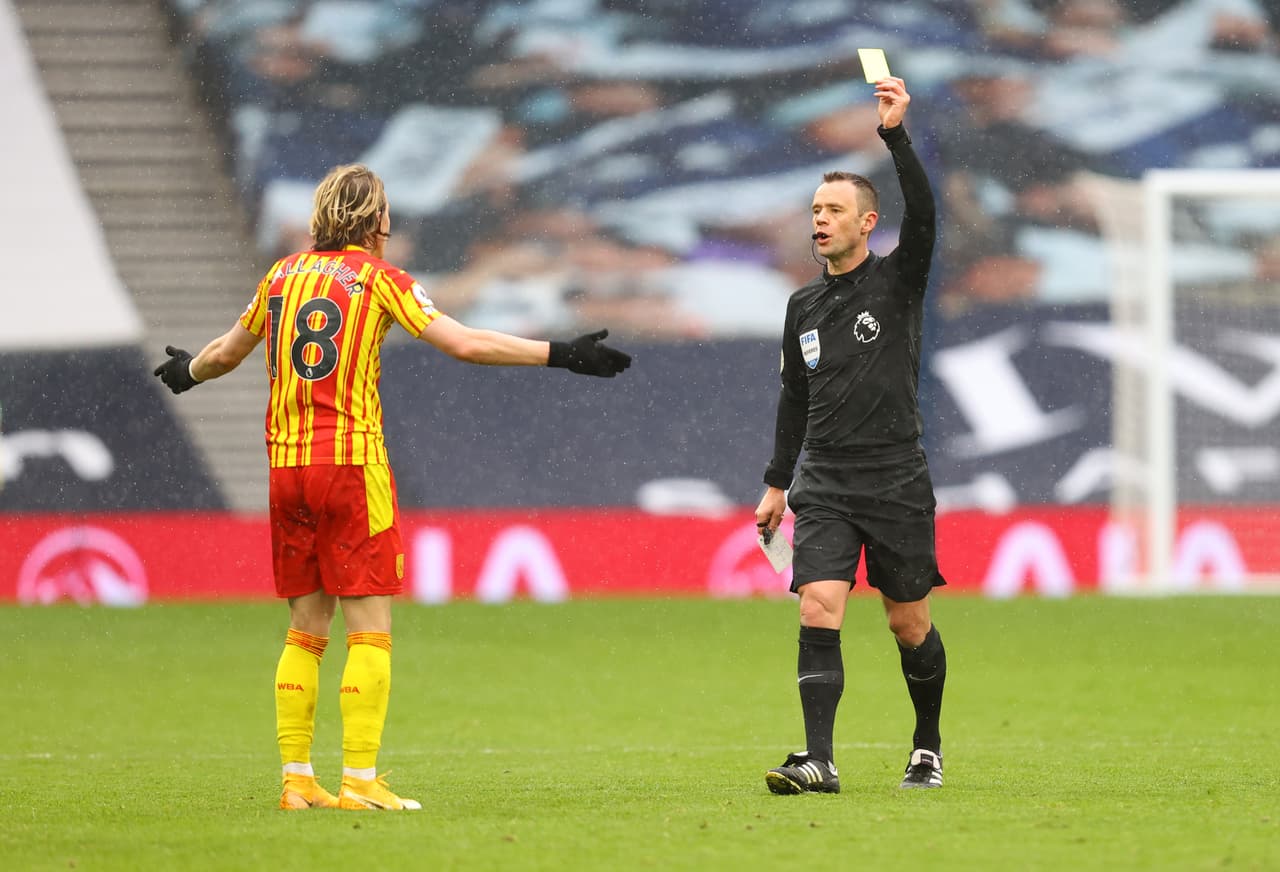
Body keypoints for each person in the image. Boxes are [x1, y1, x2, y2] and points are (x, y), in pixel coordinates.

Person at [154, 163, 631, 811]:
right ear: (375, 220)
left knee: (304, 629)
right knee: (369, 628)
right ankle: (359, 779)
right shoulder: (380, 280)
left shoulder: (282, 276)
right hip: (351, 467)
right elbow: (464, 343)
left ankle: (297, 780)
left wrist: (185, 371)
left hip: (287, 467)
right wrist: (561, 353)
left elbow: (226, 353)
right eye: (386, 214)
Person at [754, 77, 947, 794]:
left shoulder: (898, 283)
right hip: (826, 481)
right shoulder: (801, 305)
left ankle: (926, 745)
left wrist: (894, 134)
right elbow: (793, 399)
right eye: (814, 210)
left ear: (868, 224)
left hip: (896, 477)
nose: (820, 221)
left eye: (835, 210)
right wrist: (778, 482)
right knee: (817, 605)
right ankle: (819, 760)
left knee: (909, 624)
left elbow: (925, 214)